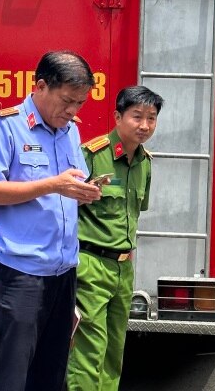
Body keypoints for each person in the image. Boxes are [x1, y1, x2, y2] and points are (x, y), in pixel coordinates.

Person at [0, 51, 102, 391]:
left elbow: (66, 188)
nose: (72, 111)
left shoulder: (69, 131)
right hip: (20, 276)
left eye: (80, 103)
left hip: (62, 274)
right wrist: (54, 184)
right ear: (40, 86)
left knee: (51, 374)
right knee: (12, 379)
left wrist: (83, 192)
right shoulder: (6, 126)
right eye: (67, 101)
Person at [67, 86, 164, 391]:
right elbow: (64, 206)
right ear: (118, 117)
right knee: (89, 349)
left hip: (123, 268)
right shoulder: (91, 155)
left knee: (114, 349)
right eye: (137, 116)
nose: (144, 125)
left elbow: (136, 212)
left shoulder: (145, 163)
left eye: (151, 118)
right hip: (90, 264)